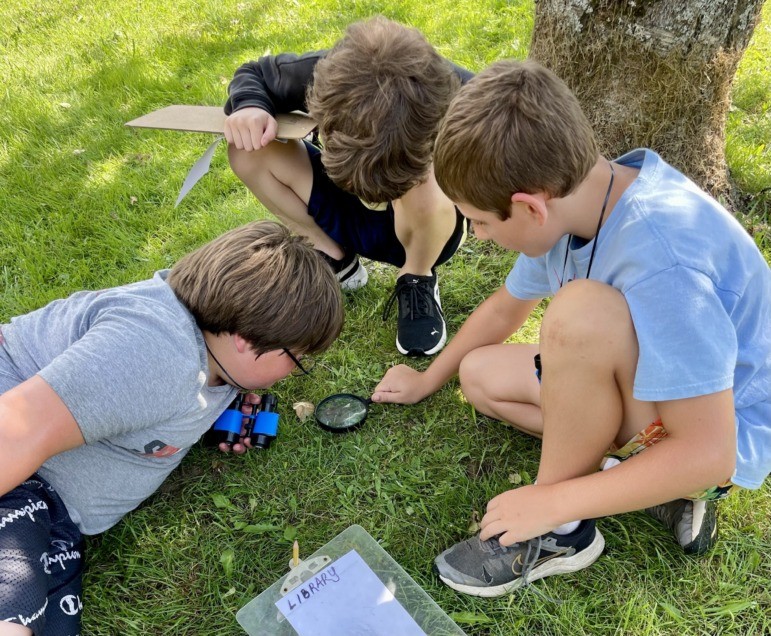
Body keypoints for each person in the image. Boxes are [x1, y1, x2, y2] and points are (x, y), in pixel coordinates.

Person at [371, 59, 771, 597]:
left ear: (530, 207)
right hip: (654, 392)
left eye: (482, 222)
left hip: (712, 433)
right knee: (479, 374)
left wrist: (551, 501)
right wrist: (427, 380)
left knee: (579, 313)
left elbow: (710, 449)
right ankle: (642, 485)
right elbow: (502, 312)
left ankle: (566, 532)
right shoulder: (578, 202)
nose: (482, 237)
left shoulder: (664, 256)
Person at [0, 221, 343, 634]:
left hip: (44, 500)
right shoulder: (153, 354)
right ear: (245, 340)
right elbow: (11, 433)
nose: (293, 373)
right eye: (297, 357)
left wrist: (204, 417)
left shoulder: (211, 355)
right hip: (21, 483)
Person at [223, 16, 473, 357]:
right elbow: (252, 73)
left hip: (424, 226)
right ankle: (334, 257)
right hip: (339, 206)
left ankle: (417, 277)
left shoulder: (461, 94)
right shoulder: (325, 74)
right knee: (246, 150)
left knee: (429, 181)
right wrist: (250, 106)